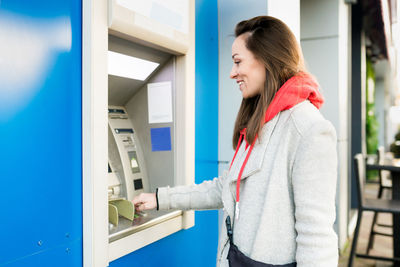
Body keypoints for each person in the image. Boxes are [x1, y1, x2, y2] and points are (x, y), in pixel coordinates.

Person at [133, 16, 338, 267]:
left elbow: (317, 239)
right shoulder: (262, 120)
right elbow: (226, 189)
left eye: (238, 62)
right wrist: (160, 199)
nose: (232, 73)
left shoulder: (309, 129)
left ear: (266, 58)